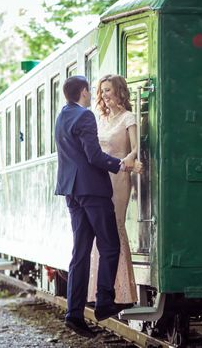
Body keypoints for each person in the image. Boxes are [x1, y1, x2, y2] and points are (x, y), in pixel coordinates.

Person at [54, 76, 142, 338]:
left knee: (80, 252)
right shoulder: (85, 116)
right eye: (91, 91)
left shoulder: (62, 116)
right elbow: (93, 156)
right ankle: (104, 300)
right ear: (83, 92)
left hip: (71, 191)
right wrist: (121, 165)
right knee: (110, 244)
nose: (93, 95)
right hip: (93, 190)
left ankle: (74, 313)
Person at [87, 74, 139, 306]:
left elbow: (136, 148)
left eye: (108, 90)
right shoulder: (101, 119)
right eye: (102, 91)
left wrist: (128, 160)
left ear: (119, 92)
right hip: (100, 177)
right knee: (101, 229)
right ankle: (99, 290)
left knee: (115, 226)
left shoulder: (128, 117)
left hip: (119, 177)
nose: (104, 95)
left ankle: (123, 291)